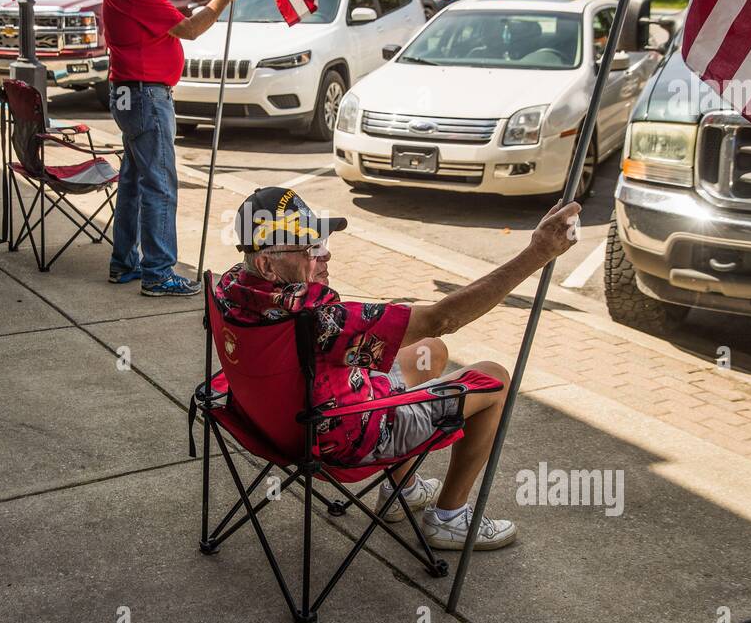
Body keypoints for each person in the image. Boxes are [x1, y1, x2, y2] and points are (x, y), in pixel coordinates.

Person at [214, 187, 581, 551]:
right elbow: (444, 317)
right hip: (345, 439)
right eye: (311, 248)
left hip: (273, 424)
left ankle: (401, 489)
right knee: (493, 378)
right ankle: (449, 519)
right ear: (267, 264)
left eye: (321, 240)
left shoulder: (230, 289)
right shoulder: (320, 321)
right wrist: (537, 254)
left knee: (428, 351)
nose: (326, 253)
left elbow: (415, 334)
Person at [102, 0, 245, 297]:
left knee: (135, 180)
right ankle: (158, 272)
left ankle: (125, 262)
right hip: (145, 95)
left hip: (134, 92)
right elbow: (192, 28)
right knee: (160, 183)